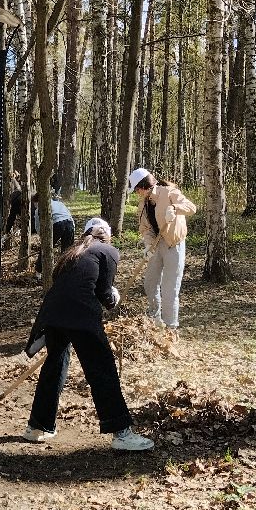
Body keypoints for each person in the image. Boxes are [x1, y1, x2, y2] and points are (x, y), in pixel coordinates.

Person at [23, 217, 153, 452]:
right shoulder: (108, 252)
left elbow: (66, 287)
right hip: (81, 316)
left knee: (54, 367)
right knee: (102, 370)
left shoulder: (71, 253)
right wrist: (114, 296)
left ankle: (38, 426)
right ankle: (121, 433)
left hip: (53, 315)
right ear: (107, 235)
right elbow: (105, 296)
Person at [128, 166, 196, 339]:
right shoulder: (143, 203)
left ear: (143, 186)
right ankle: (154, 318)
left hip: (174, 244)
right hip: (156, 245)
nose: (136, 193)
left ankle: (171, 329)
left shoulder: (169, 192)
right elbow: (145, 228)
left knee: (169, 289)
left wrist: (174, 209)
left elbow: (191, 207)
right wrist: (148, 246)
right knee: (150, 283)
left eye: (136, 190)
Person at [31, 193, 76, 279]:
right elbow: (69, 215)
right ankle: (67, 272)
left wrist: (42, 236)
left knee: (45, 248)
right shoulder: (59, 203)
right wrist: (73, 228)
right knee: (68, 250)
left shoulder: (41, 208)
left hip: (57, 224)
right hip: (69, 223)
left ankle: (38, 272)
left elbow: (37, 225)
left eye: (35, 203)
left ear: (37, 201)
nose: (35, 206)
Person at [2, 171, 23, 246]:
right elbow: (11, 217)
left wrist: (20, 228)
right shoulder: (18, 192)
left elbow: (12, 217)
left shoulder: (18, 203)